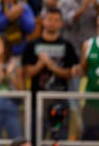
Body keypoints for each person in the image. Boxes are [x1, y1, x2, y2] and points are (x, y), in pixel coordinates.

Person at [21, 8, 78, 144]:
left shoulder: (67, 46)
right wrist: (40, 64)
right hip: (37, 101)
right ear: (43, 21)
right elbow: (27, 73)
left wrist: (51, 66)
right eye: (49, 19)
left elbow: (70, 73)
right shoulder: (32, 45)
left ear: (61, 23)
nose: (52, 23)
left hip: (60, 99)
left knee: (59, 139)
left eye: (56, 20)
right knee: (35, 138)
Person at [73, 12, 99, 141]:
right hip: (93, 99)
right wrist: (78, 70)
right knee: (89, 138)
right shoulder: (88, 45)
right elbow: (84, 68)